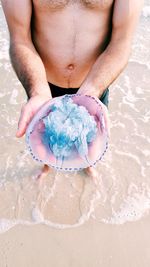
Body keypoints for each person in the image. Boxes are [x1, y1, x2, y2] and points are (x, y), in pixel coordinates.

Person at [2, 0, 143, 178]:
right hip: (43, 84)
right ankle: (47, 165)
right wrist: (38, 91)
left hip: (94, 83)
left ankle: (87, 164)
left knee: (89, 143)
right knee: (47, 142)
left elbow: (121, 42)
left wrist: (92, 90)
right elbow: (20, 39)